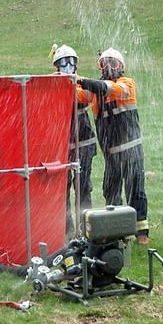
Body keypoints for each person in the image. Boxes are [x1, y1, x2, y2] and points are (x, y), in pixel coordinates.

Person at [76, 48, 150, 245]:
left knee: (136, 190)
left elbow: (111, 88)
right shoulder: (95, 93)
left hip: (131, 151)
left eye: (113, 63)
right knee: (111, 191)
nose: (109, 68)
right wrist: (66, 80)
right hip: (112, 156)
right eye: (104, 64)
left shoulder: (127, 84)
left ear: (121, 67)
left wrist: (82, 80)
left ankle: (142, 233)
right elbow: (77, 96)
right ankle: (117, 232)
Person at [50, 45, 97, 236]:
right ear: (56, 66)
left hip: (84, 145)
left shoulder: (83, 84)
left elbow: (87, 97)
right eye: (63, 62)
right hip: (61, 147)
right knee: (62, 189)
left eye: (71, 62)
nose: (68, 65)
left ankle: (86, 228)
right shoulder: (50, 84)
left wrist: (68, 85)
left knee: (83, 187)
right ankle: (67, 229)